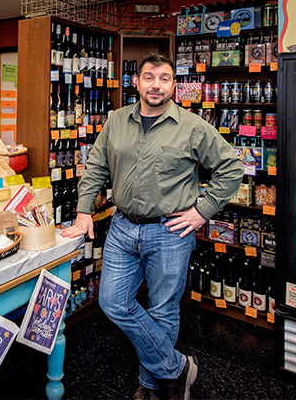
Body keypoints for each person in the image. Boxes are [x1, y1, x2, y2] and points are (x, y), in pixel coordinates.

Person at [62, 53, 244, 400]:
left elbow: (232, 168)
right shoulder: (116, 121)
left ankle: (150, 387)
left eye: (164, 78)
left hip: (170, 231)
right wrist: (84, 210)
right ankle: (177, 368)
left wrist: (203, 211)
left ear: (174, 84)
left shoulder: (192, 126)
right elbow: (97, 166)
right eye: (149, 77)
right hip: (122, 228)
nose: (156, 85)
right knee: (112, 302)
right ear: (137, 82)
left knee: (162, 309)